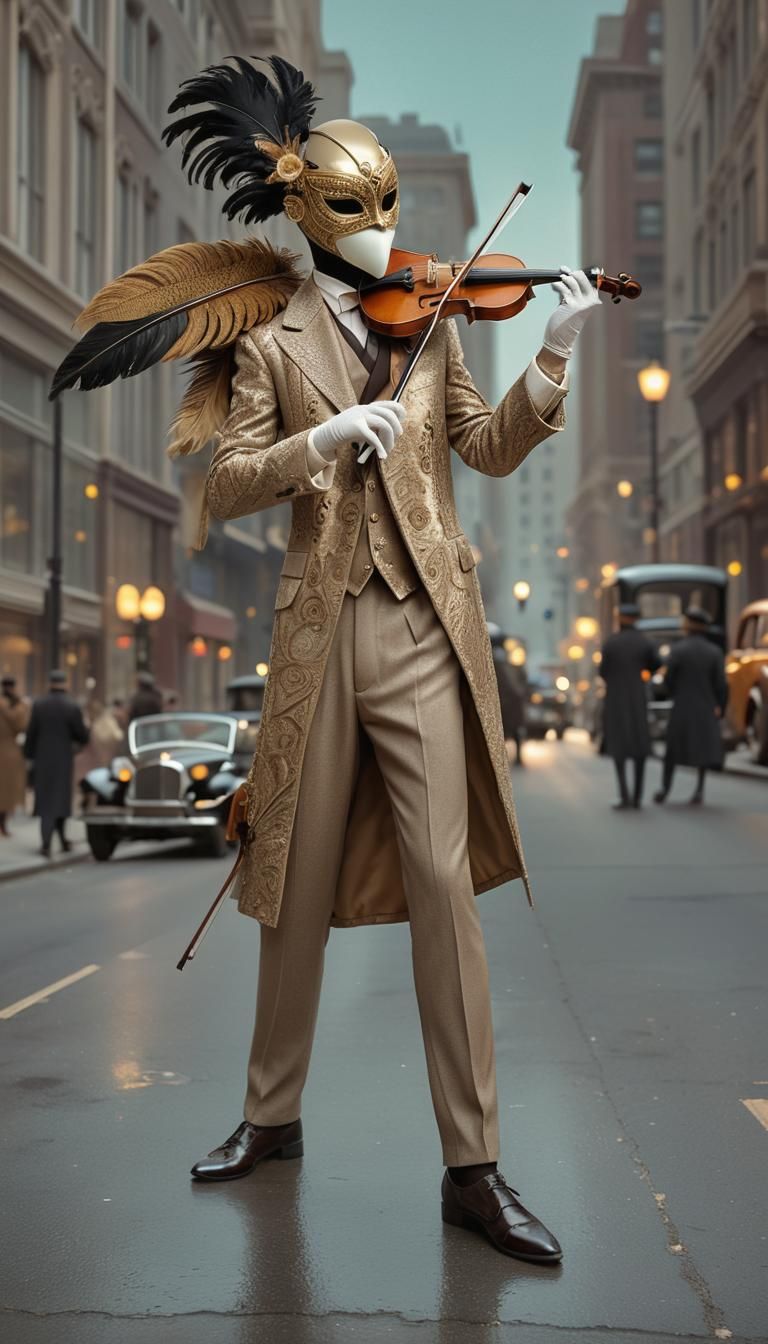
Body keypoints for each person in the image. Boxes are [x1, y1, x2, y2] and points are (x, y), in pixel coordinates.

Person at [52, 57, 605, 1264]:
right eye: (358, 209)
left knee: (442, 889)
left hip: (423, 630)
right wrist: (324, 438)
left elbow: (489, 449)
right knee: (288, 879)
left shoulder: (443, 313)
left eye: (393, 205)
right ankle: (270, 1115)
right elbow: (232, 480)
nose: (386, 231)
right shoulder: (269, 337)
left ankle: (474, 1166)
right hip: (317, 629)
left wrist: (554, 352)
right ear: (305, 216)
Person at [654, 606, 727, 805]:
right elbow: (721, 684)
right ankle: (699, 790)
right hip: (705, 706)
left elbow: (668, 679)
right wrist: (720, 705)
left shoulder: (678, 650)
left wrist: (673, 693)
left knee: (673, 750)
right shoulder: (714, 652)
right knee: (702, 750)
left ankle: (665, 789)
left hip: (682, 707)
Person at [599, 604, 661, 809]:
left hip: (615, 699)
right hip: (637, 698)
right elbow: (656, 663)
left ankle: (624, 795)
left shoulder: (611, 643)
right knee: (639, 747)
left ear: (620, 618)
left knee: (619, 749)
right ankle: (637, 797)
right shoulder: (645, 642)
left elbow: (603, 671)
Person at [23, 669, 89, 858]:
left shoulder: (39, 705)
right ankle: (61, 841)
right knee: (60, 799)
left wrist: (28, 756)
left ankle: (47, 843)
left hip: (43, 759)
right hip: (63, 759)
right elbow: (82, 735)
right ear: (65, 684)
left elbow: (31, 734)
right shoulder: (72, 706)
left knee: (45, 801)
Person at [488, 625, 527, 765]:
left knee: (512, 728)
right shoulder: (496, 660)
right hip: (501, 698)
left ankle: (513, 756)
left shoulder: (505, 659)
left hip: (507, 698)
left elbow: (519, 680)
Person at [0, 675, 30, 836]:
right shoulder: (18, 705)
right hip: (10, 752)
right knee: (7, 792)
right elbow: (22, 726)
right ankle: (3, 824)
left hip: (7, 751)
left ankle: (3, 823)